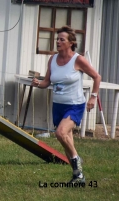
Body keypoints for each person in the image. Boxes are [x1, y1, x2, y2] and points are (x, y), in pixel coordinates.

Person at [31, 25, 101, 183]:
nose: (58, 41)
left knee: (61, 133)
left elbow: (97, 77)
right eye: (57, 39)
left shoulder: (78, 60)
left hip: (74, 105)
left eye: (62, 39)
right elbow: (47, 82)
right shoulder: (53, 59)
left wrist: (93, 97)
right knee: (66, 141)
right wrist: (38, 83)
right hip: (58, 105)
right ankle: (78, 175)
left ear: (71, 43)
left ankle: (77, 164)